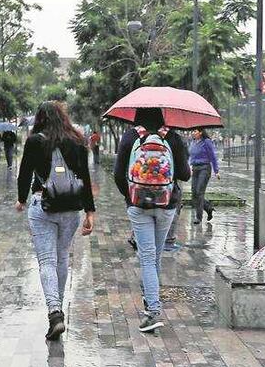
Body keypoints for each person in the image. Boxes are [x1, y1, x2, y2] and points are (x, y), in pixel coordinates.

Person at [17, 102, 95, 340]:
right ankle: (57, 310)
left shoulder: (35, 141)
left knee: (47, 261)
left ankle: (54, 313)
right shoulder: (78, 141)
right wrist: (90, 212)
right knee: (61, 258)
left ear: (40, 118)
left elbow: (25, 173)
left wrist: (21, 199)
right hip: (71, 209)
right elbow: (85, 177)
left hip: (43, 205)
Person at [113, 108, 190, 332]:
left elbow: (118, 175)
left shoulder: (130, 136)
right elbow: (185, 174)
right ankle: (151, 302)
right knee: (155, 256)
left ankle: (153, 310)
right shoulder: (172, 137)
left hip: (138, 206)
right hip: (166, 205)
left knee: (147, 257)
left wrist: (130, 196)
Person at [188, 128, 220, 224]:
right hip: (195, 168)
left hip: (204, 168)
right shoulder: (193, 142)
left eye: (195, 131)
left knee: (199, 192)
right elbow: (190, 156)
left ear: (201, 132)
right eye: (192, 131)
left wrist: (216, 171)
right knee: (194, 193)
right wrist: (188, 166)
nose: (193, 133)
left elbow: (213, 156)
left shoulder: (206, 142)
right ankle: (208, 207)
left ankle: (199, 217)